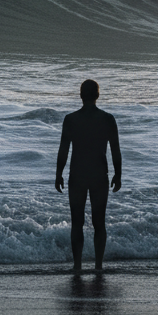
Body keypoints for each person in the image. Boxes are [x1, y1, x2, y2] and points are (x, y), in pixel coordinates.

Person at [55, 79, 121, 272]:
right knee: (99, 222)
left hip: (77, 175)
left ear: (81, 95)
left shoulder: (71, 119)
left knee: (77, 222)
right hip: (99, 175)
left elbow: (63, 150)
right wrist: (118, 174)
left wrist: (58, 174)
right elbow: (115, 150)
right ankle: (98, 266)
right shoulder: (108, 119)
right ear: (97, 95)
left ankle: (77, 266)